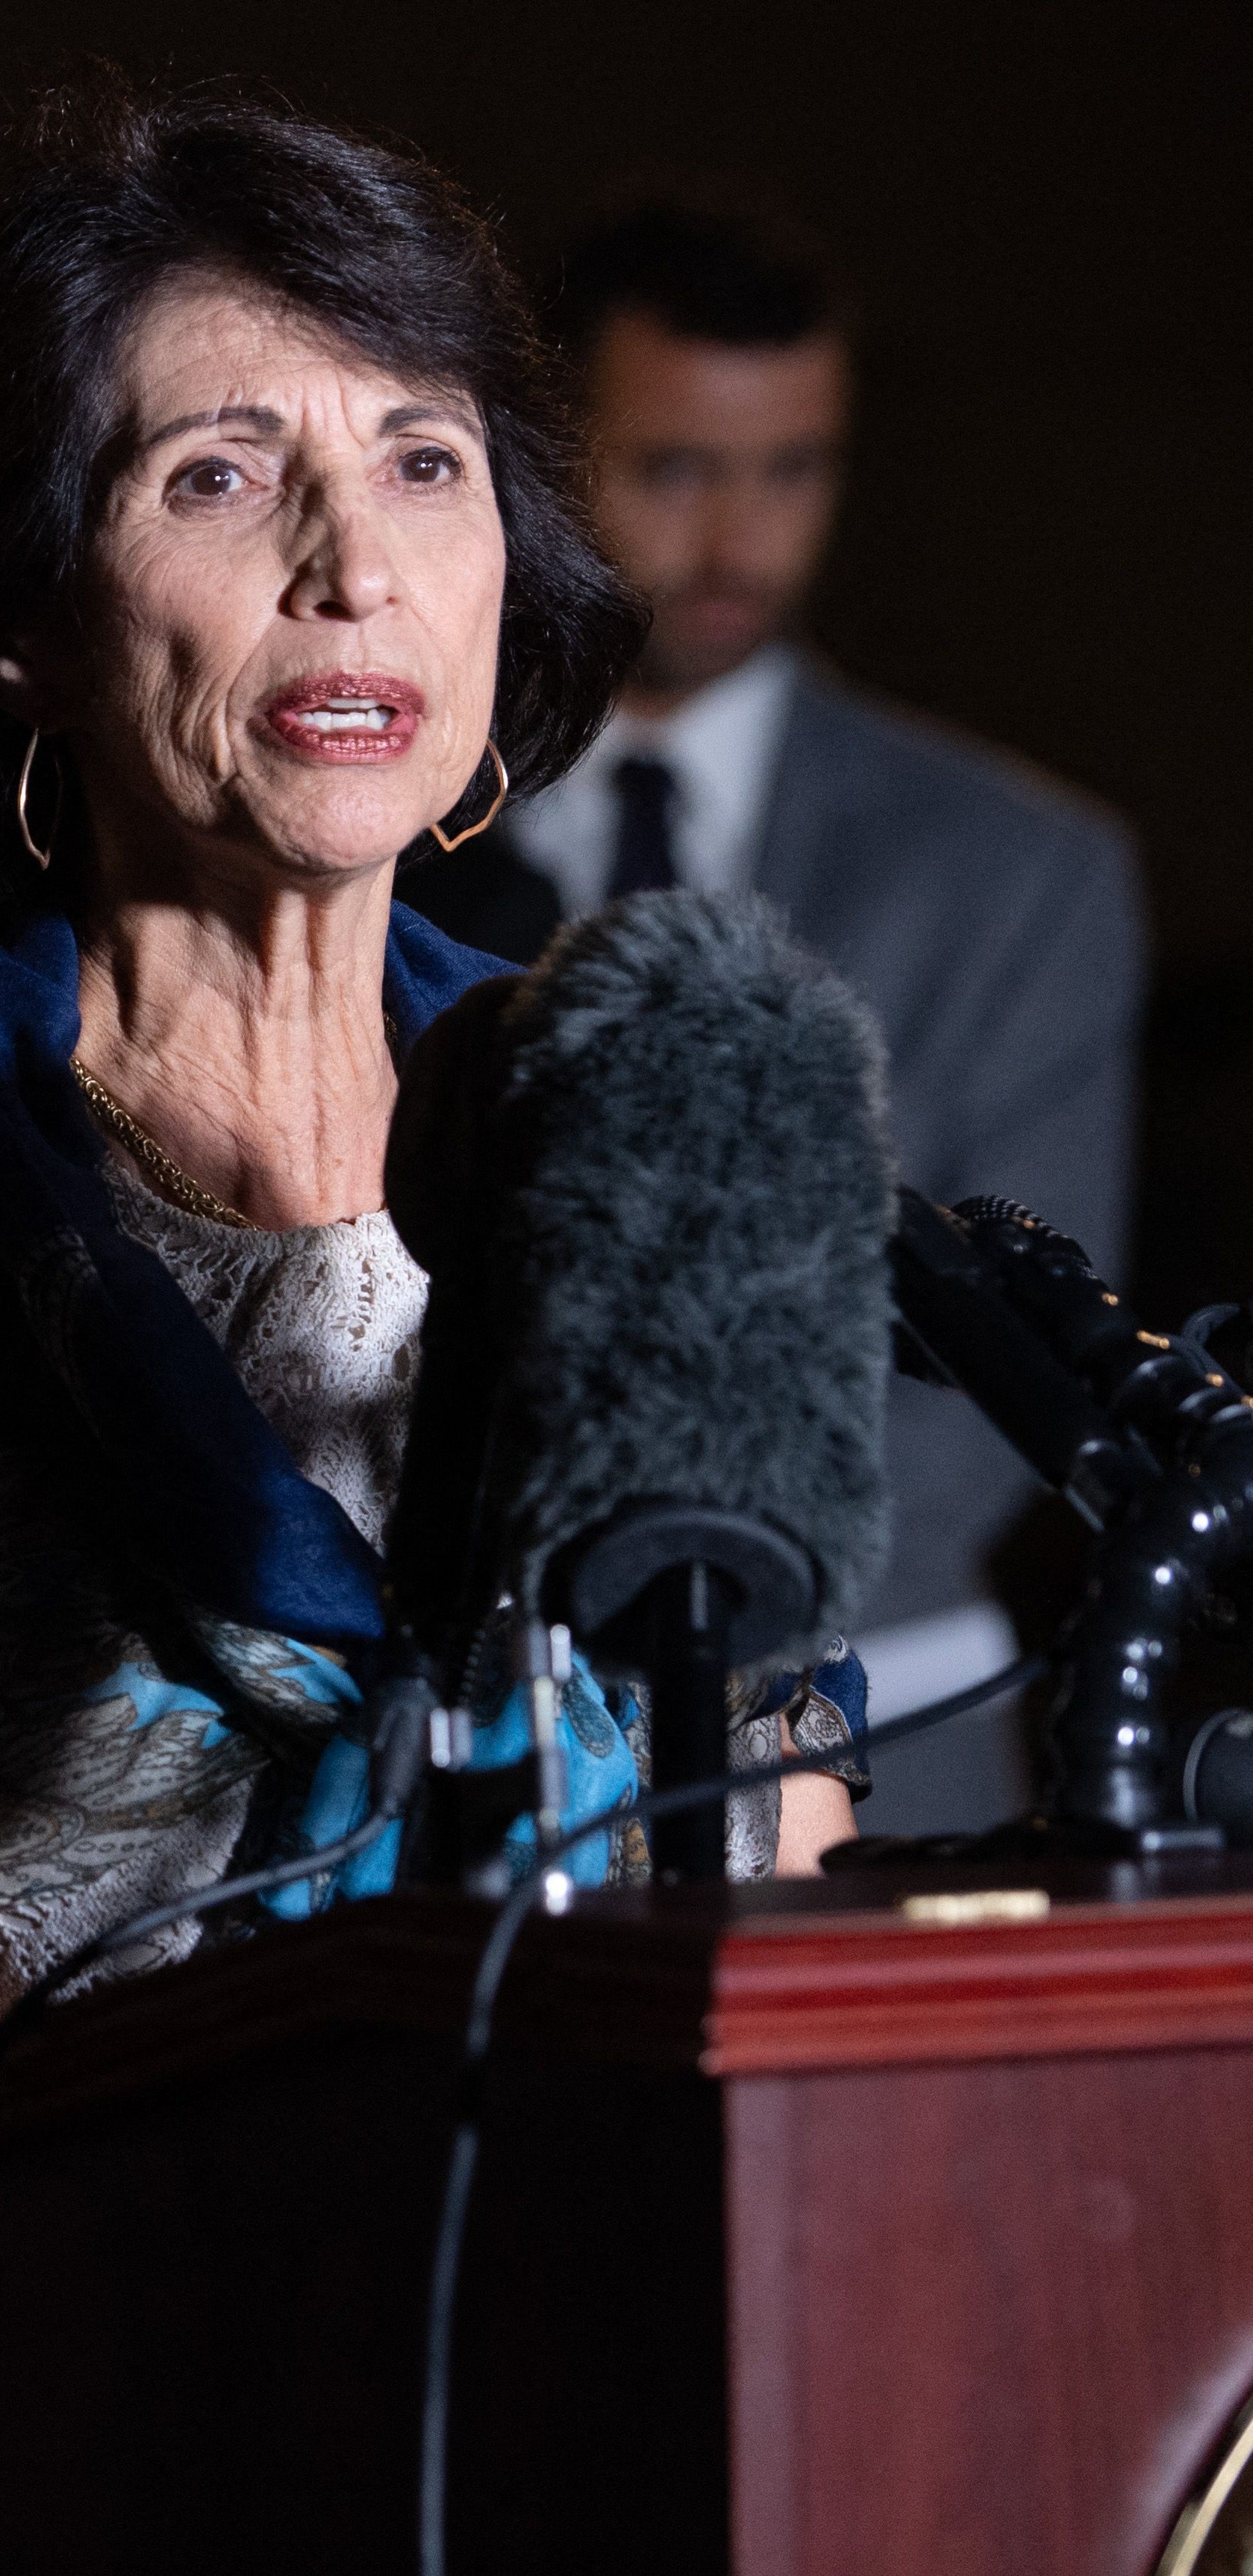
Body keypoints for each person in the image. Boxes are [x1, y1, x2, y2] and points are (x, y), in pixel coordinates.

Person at [0, 78, 873, 2571]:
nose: (351, 565)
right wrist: (266, 2276)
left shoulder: (649, 1153)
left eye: (425, 460)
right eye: (215, 477)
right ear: (15, 622)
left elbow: (774, 1972)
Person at [401, 195, 1144, 1823]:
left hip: (899, 1723)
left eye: (789, 467)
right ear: (545, 450)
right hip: (459, 1728)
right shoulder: (390, 823)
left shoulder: (1016, 869)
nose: (736, 533)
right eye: (671, 467)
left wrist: (694, 1600)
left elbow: (1012, 1344)